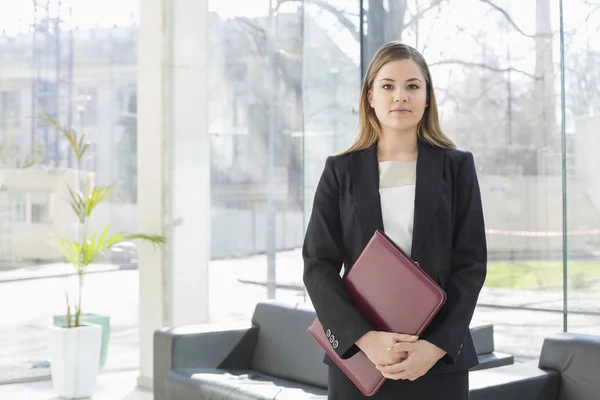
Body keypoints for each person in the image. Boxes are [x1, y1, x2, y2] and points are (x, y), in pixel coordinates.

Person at [302, 41, 487, 399]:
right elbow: (317, 265)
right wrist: (364, 339)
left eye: (412, 86)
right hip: (361, 360)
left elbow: (471, 265)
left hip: (437, 360)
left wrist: (435, 347)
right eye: (388, 86)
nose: (400, 96)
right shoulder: (340, 171)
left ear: (427, 97)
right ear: (370, 96)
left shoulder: (458, 167)